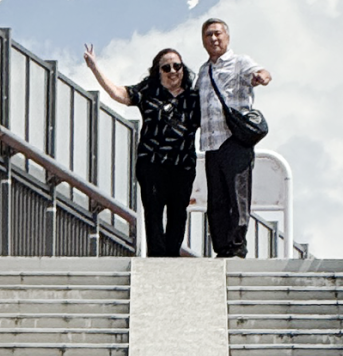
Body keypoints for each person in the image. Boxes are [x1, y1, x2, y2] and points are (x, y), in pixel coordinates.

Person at [84, 45, 200, 257]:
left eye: (177, 66)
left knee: (178, 212)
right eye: (166, 67)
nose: (173, 71)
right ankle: (156, 256)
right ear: (158, 71)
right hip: (152, 162)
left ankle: (172, 256)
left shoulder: (194, 97)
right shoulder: (148, 90)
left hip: (182, 164)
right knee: (153, 212)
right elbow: (119, 93)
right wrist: (95, 68)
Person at [197, 18, 272, 258]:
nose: (214, 39)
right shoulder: (203, 70)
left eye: (218, 34)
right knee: (216, 200)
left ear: (227, 37)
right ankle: (222, 247)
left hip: (234, 140)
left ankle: (237, 245)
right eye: (208, 35)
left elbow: (259, 73)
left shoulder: (240, 62)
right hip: (211, 143)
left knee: (237, 196)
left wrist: (262, 77)